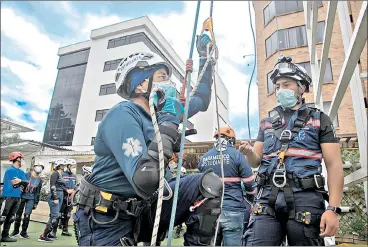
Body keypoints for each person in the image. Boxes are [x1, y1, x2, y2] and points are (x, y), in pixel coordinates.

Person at [73, 34, 223, 246]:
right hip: (106, 219)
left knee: (208, 184)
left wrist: (205, 59)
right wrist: (170, 125)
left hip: (144, 211)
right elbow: (146, 180)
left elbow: (201, 99)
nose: (169, 83)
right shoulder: (123, 114)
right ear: (139, 85)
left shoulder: (162, 115)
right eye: (162, 77)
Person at [240, 56, 344, 246]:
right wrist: (248, 153)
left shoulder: (320, 119)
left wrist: (333, 209)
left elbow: (334, 165)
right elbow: (255, 161)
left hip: (305, 198)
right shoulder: (267, 123)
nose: (280, 90)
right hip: (266, 198)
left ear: (302, 87)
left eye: (286, 84)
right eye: (277, 86)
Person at [198, 126, 256, 246]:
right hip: (232, 210)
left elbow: (199, 185)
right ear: (232, 140)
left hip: (209, 211)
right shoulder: (237, 156)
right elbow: (250, 183)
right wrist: (251, 199)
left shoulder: (203, 159)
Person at [38, 158, 74, 242]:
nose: (64, 166)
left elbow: (60, 185)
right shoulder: (55, 174)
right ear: (59, 165)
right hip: (56, 195)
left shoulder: (60, 174)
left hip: (60, 194)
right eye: (63, 165)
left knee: (54, 215)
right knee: (55, 216)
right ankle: (43, 236)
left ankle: (49, 234)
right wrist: (55, 198)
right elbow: (52, 186)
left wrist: (67, 190)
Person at [10, 162, 44, 239]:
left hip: (31, 198)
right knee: (18, 214)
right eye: (37, 166)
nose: (39, 168)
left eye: (41, 167)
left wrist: (36, 203)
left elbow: (37, 192)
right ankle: (15, 231)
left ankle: (24, 232)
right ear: (34, 167)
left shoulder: (40, 180)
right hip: (22, 196)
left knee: (27, 215)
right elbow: (18, 183)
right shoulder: (26, 175)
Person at [0, 152, 28, 242]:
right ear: (17, 159)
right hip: (8, 197)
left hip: (17, 197)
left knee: (11, 217)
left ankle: (5, 236)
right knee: (2, 217)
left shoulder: (21, 171)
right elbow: (15, 182)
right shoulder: (10, 170)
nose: (23, 161)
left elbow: (26, 183)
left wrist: (22, 181)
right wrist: (22, 181)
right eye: (22, 159)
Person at [58, 158, 77, 237]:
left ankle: (65, 230)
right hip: (62, 196)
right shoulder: (62, 174)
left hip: (71, 198)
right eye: (73, 166)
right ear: (68, 166)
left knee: (68, 214)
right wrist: (66, 190)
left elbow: (75, 186)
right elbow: (59, 185)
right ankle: (53, 231)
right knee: (58, 214)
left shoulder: (74, 176)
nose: (74, 167)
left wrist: (73, 192)